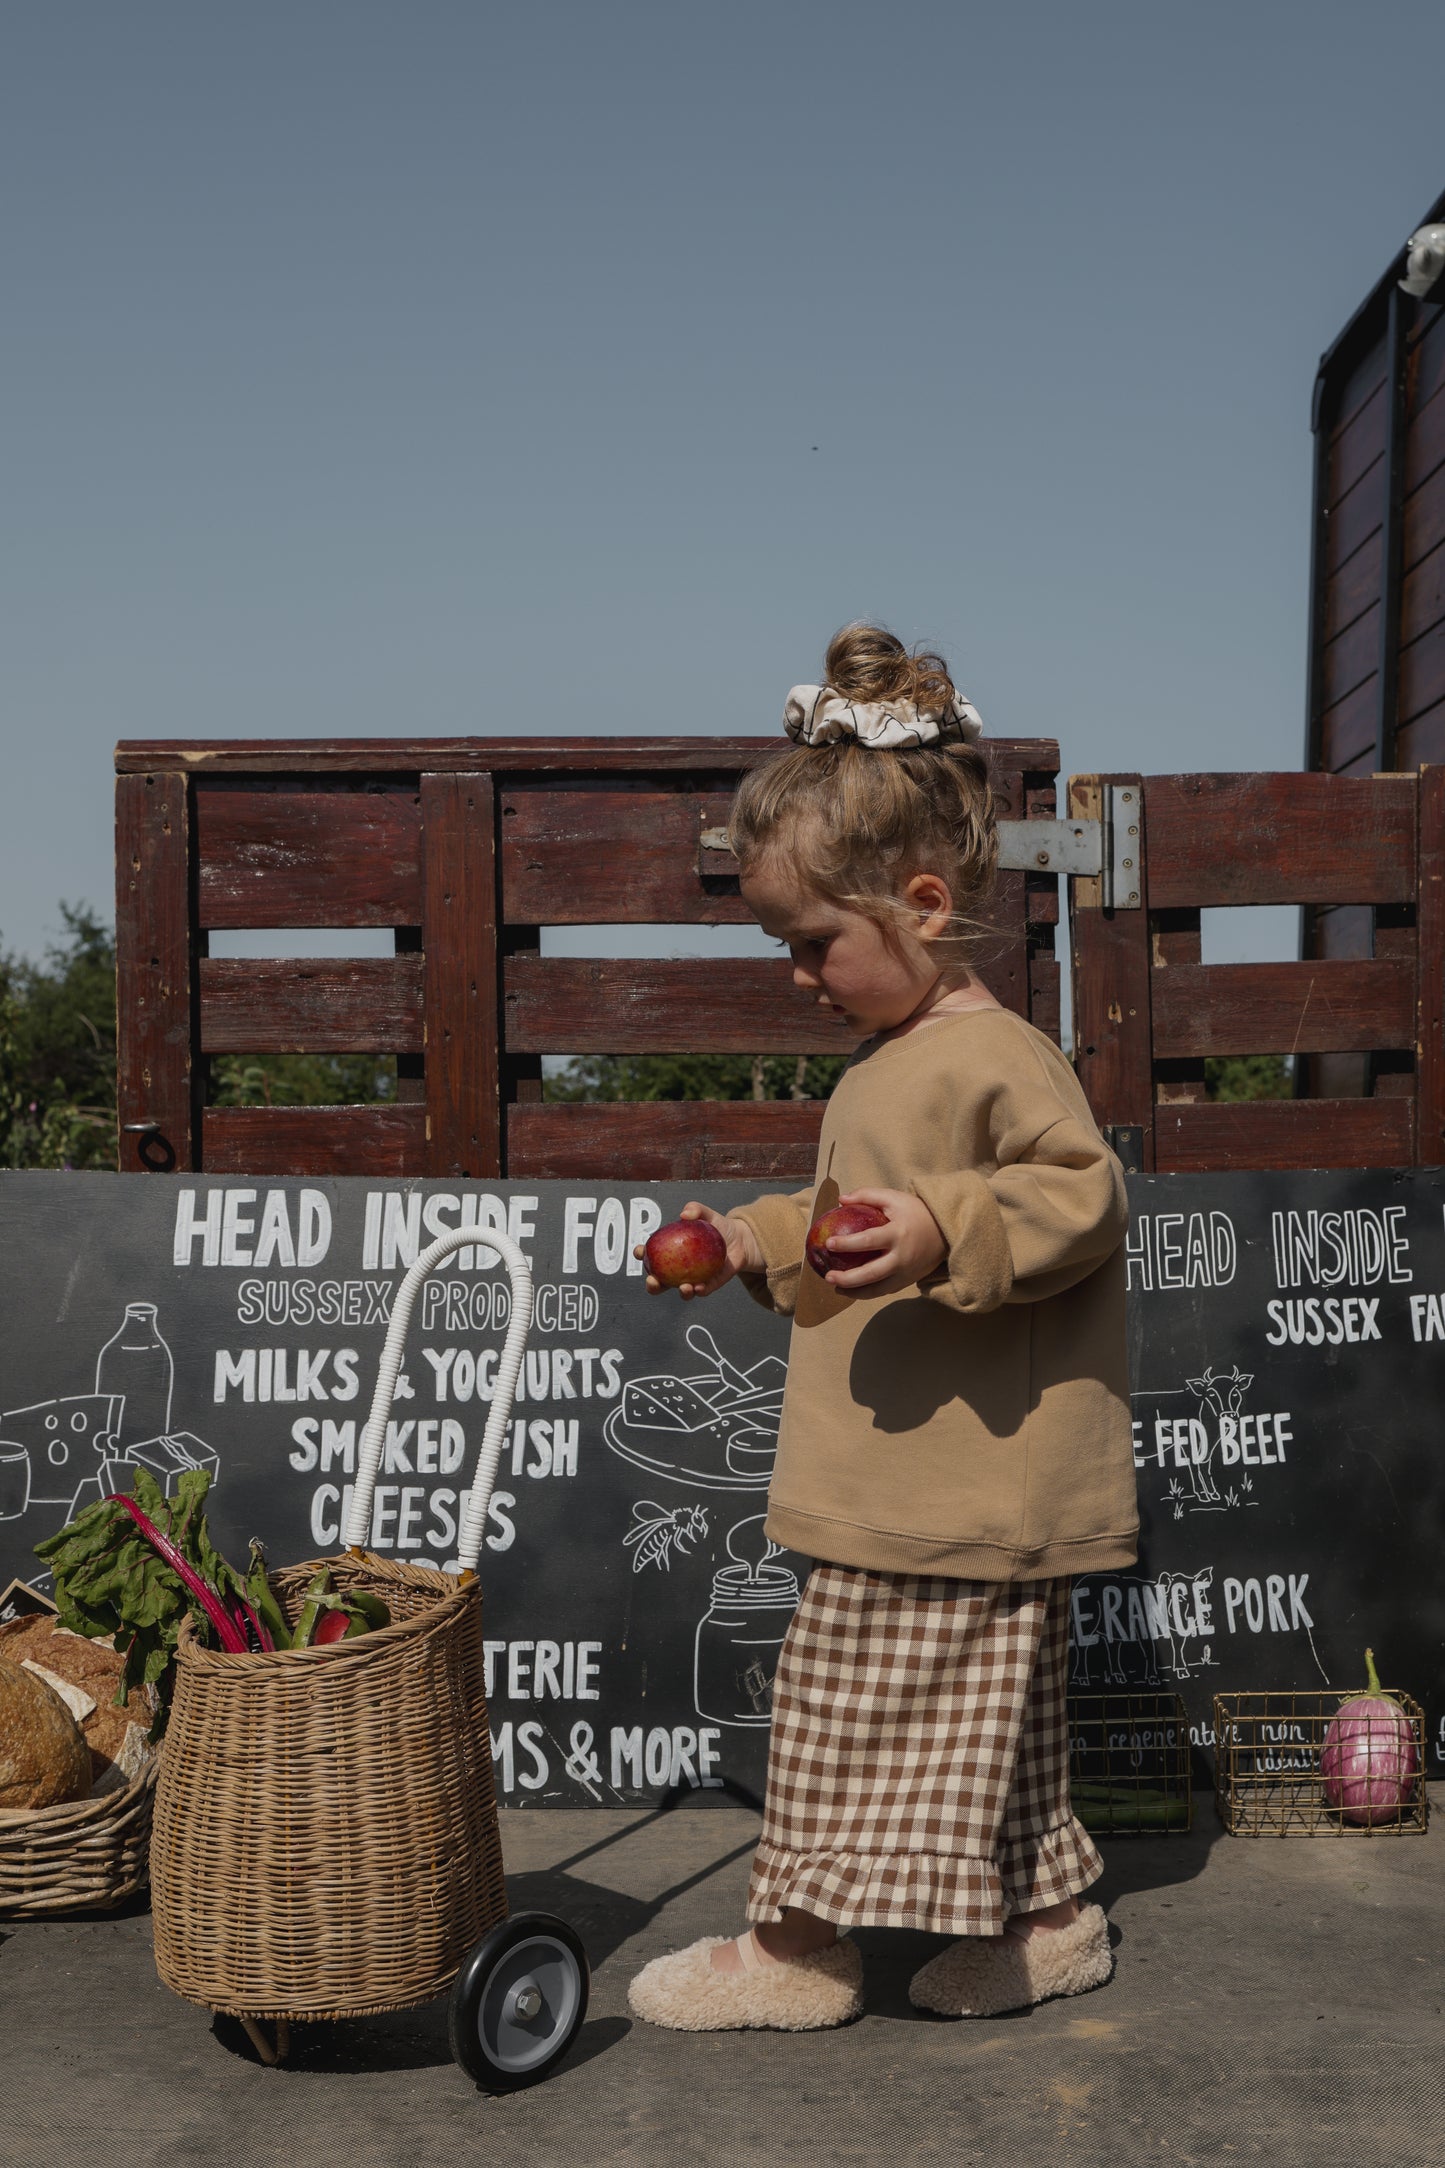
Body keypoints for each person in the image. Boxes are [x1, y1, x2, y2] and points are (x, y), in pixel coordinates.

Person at [627, 624, 1137, 2033]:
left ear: (920, 902)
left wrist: (943, 1226)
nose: (798, 973)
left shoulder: (994, 1056)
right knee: (1003, 1726)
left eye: (813, 943)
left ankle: (794, 1949)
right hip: (931, 1476)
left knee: (840, 1711)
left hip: (959, 1479)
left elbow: (1077, 1197)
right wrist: (749, 1236)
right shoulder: (894, 1058)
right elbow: (849, 1220)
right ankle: (1045, 1923)